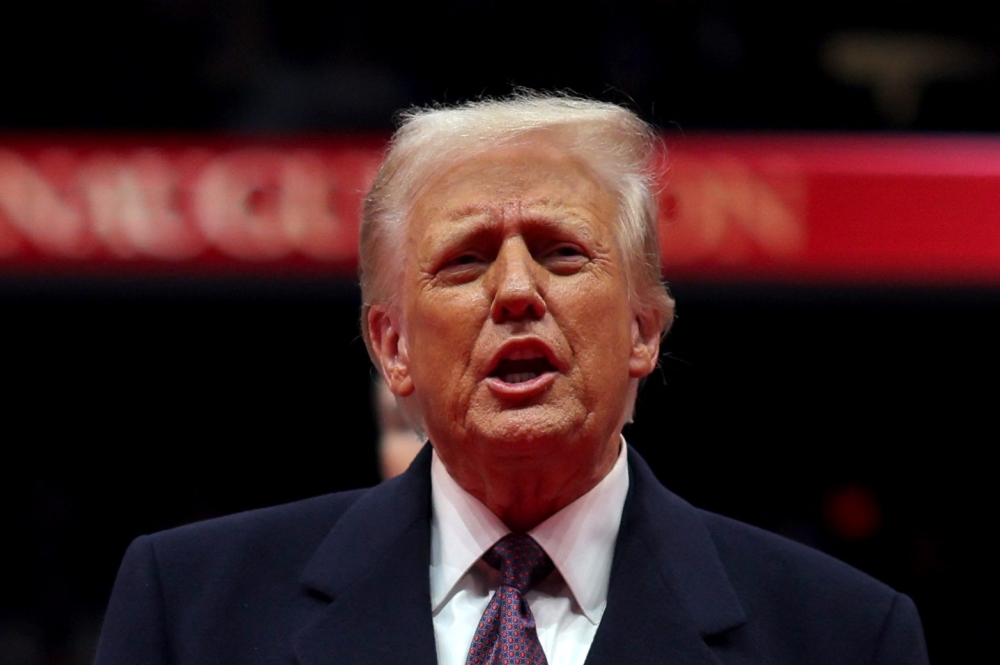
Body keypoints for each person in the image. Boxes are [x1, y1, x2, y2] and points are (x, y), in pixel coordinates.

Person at [94, 92, 929, 665]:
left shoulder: (844, 634)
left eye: (562, 252)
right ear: (392, 346)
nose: (517, 290)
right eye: (466, 260)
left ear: (643, 328)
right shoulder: (190, 607)